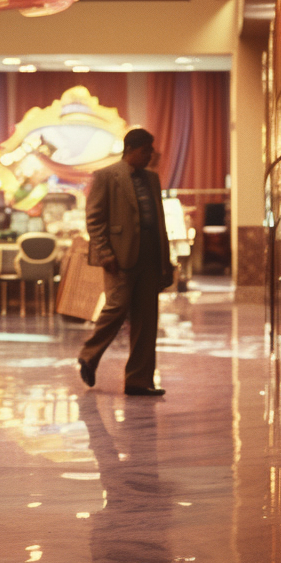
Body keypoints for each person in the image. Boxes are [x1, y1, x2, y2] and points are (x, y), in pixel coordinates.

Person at [78, 127, 173, 396]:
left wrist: (165, 261)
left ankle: (138, 380)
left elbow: (160, 223)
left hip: (150, 256)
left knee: (146, 320)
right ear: (131, 149)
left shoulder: (152, 179)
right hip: (119, 257)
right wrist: (105, 252)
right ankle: (88, 355)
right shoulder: (107, 176)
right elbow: (95, 219)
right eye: (146, 151)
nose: (150, 156)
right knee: (117, 308)